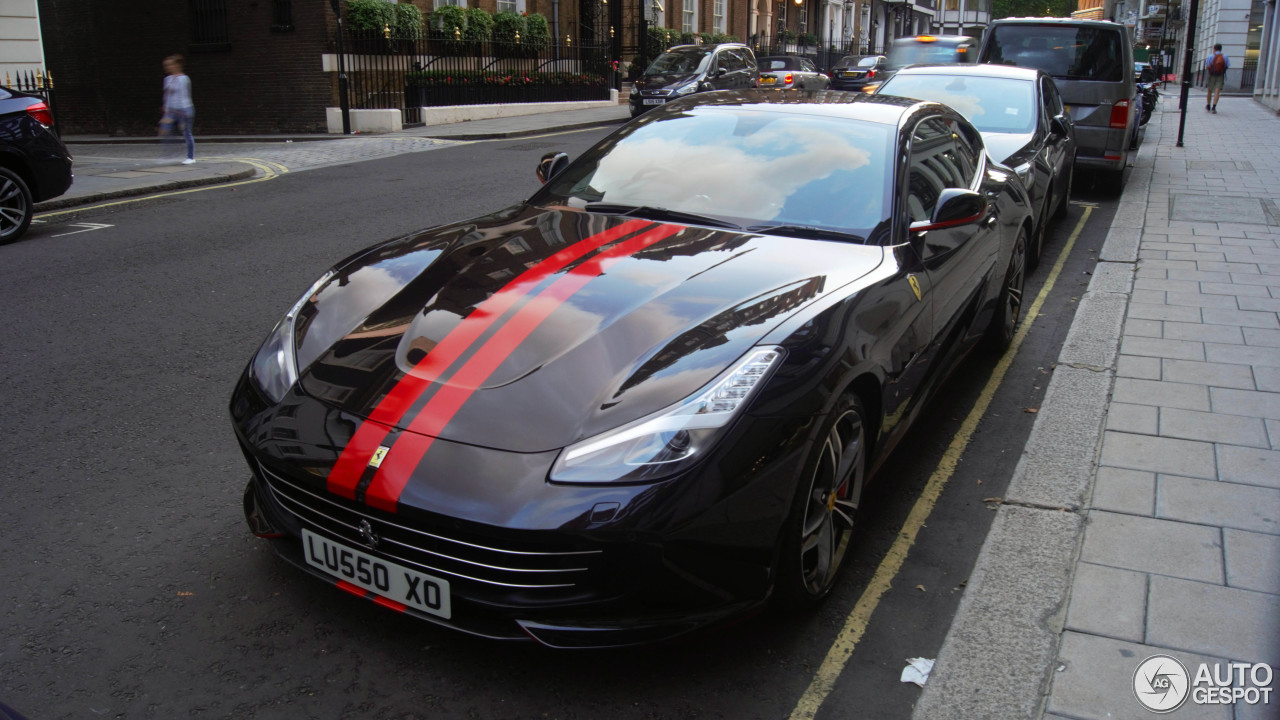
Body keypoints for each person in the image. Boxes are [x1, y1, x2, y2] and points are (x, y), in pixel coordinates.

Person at [161, 55, 195, 164]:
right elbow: (167, 96)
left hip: (184, 109)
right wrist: (166, 111)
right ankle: (170, 153)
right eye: (166, 65)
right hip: (171, 110)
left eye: (170, 64)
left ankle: (190, 157)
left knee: (187, 133)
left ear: (177, 65)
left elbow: (184, 96)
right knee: (164, 129)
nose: (168, 67)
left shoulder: (184, 79)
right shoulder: (167, 79)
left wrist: (184, 114)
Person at [1204, 43, 1229, 114]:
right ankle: (1214, 107)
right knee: (1217, 91)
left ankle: (1208, 105)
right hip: (1220, 75)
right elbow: (1227, 65)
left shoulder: (1210, 56)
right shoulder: (1225, 56)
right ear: (1221, 49)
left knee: (1209, 90)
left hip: (1211, 75)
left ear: (1214, 49)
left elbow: (1207, 65)